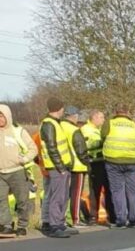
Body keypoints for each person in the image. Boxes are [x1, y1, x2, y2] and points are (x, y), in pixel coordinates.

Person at [40, 98, 77, 238]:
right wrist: (61, 167)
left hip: (62, 166)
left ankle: (60, 223)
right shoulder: (49, 124)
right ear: (58, 108)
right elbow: (52, 148)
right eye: (62, 108)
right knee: (57, 197)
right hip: (57, 167)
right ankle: (54, 225)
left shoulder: (55, 123)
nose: (63, 110)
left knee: (63, 196)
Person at [102, 106, 135, 229]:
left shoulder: (109, 123)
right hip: (132, 161)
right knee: (133, 191)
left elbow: (103, 136)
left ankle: (121, 220)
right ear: (128, 113)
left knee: (117, 190)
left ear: (116, 112)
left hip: (114, 160)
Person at [0, 104, 38, 238]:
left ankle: (22, 225)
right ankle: (6, 225)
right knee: (1, 200)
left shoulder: (18, 131)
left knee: (22, 200)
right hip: (1, 173)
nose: (0, 119)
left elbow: (33, 149)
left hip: (17, 171)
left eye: (1, 116)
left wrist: (24, 159)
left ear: (7, 116)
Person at [81, 110, 113, 225]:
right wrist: (103, 142)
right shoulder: (86, 129)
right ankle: (93, 216)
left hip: (103, 161)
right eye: (101, 117)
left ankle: (111, 216)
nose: (103, 120)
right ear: (94, 118)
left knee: (108, 188)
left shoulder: (98, 129)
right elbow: (86, 145)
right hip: (94, 162)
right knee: (95, 190)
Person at [60, 106, 91, 227]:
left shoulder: (60, 126)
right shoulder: (74, 130)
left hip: (64, 164)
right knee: (76, 194)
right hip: (77, 165)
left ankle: (61, 218)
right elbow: (80, 149)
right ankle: (76, 219)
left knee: (64, 193)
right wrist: (87, 163)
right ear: (74, 116)